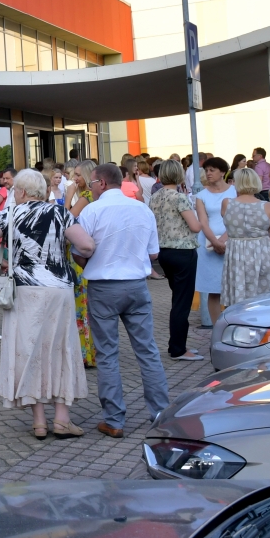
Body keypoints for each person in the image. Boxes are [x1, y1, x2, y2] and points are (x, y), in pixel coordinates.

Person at [0, 169, 94, 440]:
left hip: (25, 290)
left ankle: (39, 422)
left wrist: (2, 261)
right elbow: (86, 246)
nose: (14, 194)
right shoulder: (61, 213)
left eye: (15, 190)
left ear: (23, 192)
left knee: (29, 351)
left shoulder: (10, 214)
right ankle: (62, 419)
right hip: (59, 290)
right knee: (61, 349)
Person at [77, 164, 170, 439]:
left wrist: (90, 261)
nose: (91, 188)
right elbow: (153, 254)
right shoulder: (142, 209)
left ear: (102, 183)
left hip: (103, 287)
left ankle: (114, 419)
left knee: (107, 354)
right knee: (147, 350)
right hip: (137, 285)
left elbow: (81, 250)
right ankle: (160, 413)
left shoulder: (91, 211)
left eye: (92, 184)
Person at [147, 161, 203, 361]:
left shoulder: (155, 197)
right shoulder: (179, 197)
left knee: (177, 299)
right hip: (183, 251)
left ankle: (177, 344)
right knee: (182, 302)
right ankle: (178, 348)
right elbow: (195, 226)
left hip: (163, 252)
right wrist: (201, 216)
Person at [220, 168, 270, 308]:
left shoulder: (227, 203)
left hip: (237, 256)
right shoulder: (267, 206)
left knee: (238, 299)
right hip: (264, 253)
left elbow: (230, 225)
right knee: (265, 299)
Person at [194, 157, 235, 323]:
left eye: (212, 170)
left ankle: (234, 323)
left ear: (223, 172)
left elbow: (237, 218)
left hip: (232, 239)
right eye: (206, 170)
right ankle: (217, 326)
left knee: (234, 286)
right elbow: (203, 222)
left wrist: (224, 239)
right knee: (213, 288)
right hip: (208, 243)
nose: (208, 173)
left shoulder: (235, 191)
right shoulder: (201, 195)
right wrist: (215, 241)